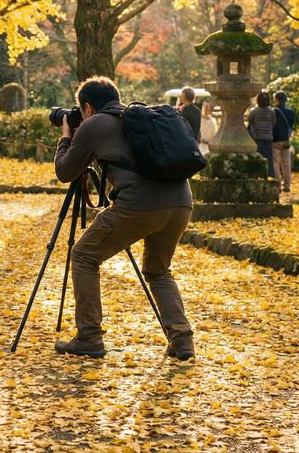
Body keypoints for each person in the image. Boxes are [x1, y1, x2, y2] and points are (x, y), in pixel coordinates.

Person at [53, 76, 195, 360]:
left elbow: (65, 171)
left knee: (83, 256)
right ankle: (182, 341)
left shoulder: (94, 124)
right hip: (181, 203)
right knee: (158, 270)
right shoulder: (137, 118)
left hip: (139, 205)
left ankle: (89, 337)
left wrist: (67, 136)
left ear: (88, 107)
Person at [272, 91, 297, 193]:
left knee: (275, 162)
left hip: (275, 140)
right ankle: (287, 185)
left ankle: (277, 186)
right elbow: (291, 125)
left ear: (276, 99)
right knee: (286, 163)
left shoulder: (273, 111)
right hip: (286, 141)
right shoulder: (291, 112)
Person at [247, 91, 277, 178]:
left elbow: (249, 119)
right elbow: (274, 123)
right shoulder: (271, 111)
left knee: (257, 157)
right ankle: (269, 175)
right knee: (269, 158)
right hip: (268, 137)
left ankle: (256, 175)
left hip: (257, 137)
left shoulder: (255, 111)